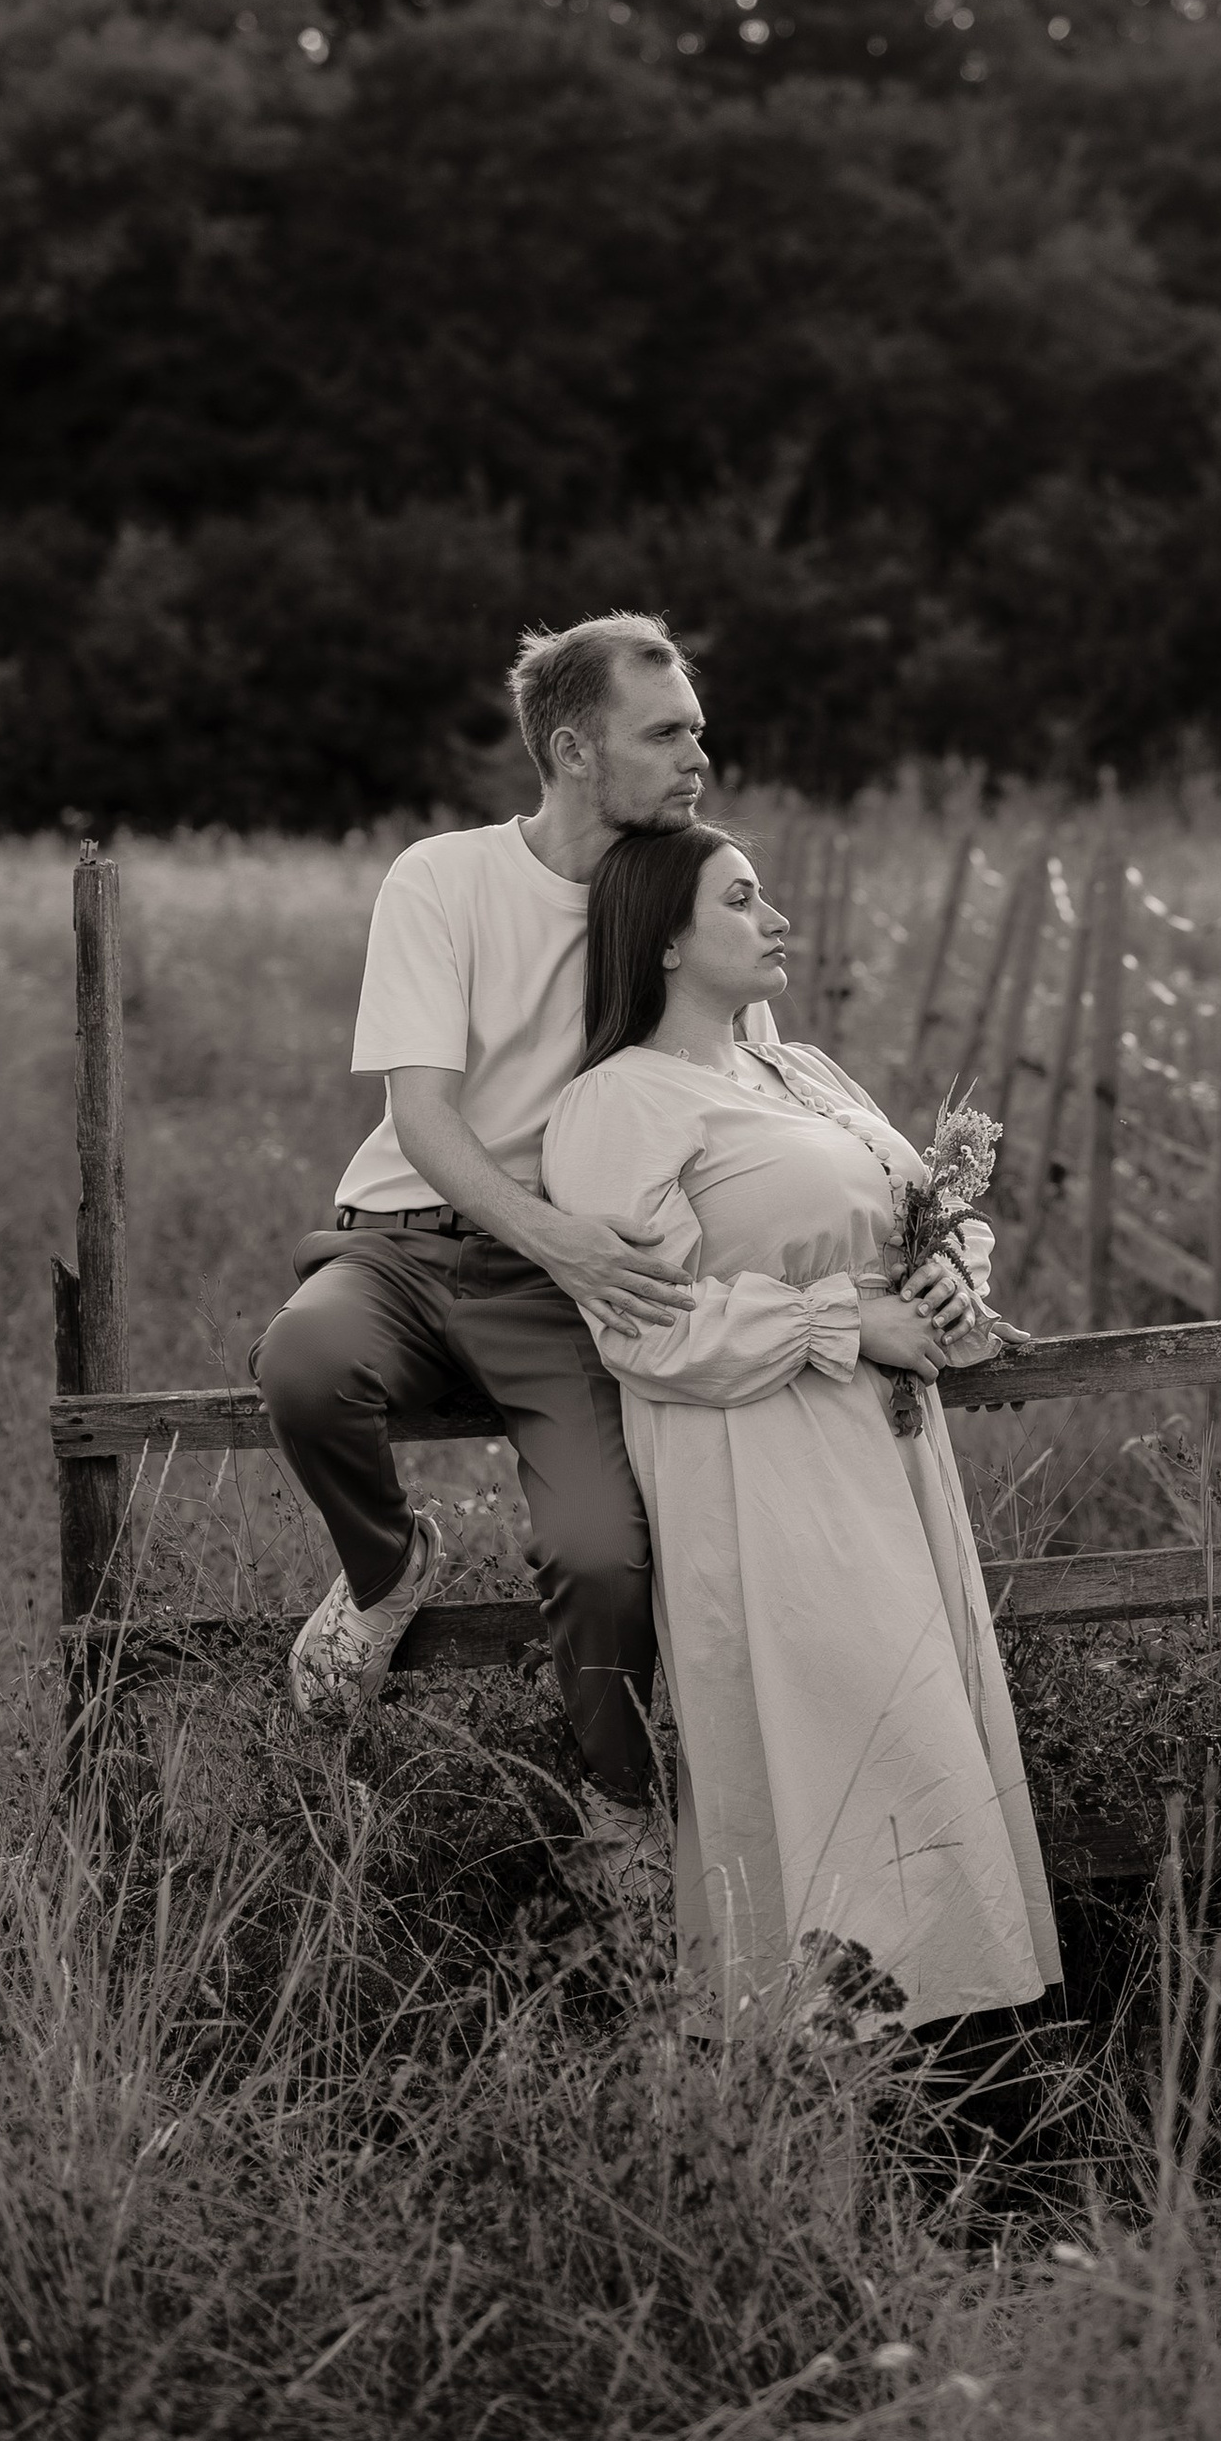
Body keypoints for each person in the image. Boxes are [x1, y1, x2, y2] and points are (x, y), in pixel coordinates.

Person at [254, 610, 766, 1869]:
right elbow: (420, 1117)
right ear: (578, 747)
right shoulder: (444, 876)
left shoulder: (679, 886)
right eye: (667, 732)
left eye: (698, 727)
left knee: (598, 1552)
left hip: (562, 1286)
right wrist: (563, 1236)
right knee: (302, 1366)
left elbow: (741, 1095)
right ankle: (384, 1572)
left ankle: (622, 1814)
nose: (699, 752)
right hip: (403, 1245)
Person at [541, 824, 1062, 2033]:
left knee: (937, 1752)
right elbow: (646, 1329)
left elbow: (909, 1212)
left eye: (768, 892)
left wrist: (946, 1279)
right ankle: (851, 2074)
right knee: (864, 1762)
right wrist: (844, 1320)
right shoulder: (617, 1102)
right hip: (767, 1477)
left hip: (889, 1464)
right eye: (740, 898)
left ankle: (973, 2101)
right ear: (664, 938)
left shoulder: (805, 1072)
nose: (774, 916)